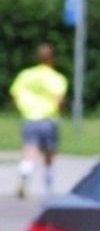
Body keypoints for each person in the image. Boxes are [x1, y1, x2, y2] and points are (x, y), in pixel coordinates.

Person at [9, 43, 68, 199]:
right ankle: (48, 189)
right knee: (49, 155)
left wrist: (24, 107)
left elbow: (15, 95)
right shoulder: (56, 77)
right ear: (52, 58)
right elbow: (60, 100)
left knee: (29, 152)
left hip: (30, 117)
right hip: (48, 119)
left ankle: (23, 178)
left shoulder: (26, 75)